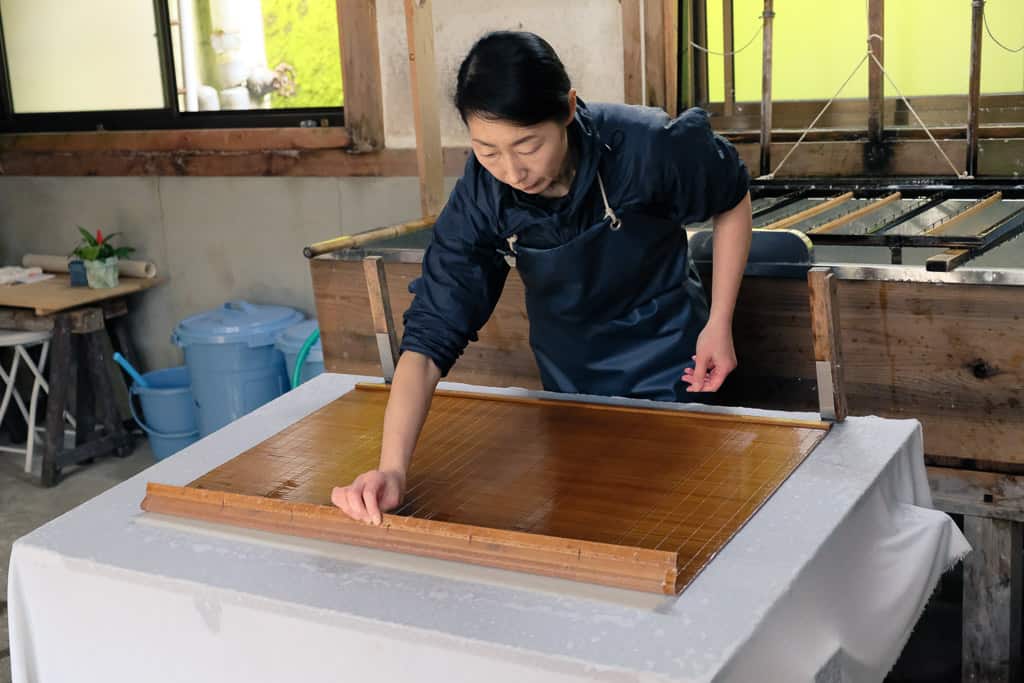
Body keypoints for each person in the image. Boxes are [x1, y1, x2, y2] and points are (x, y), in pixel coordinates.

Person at [333, 31, 752, 525]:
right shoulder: (484, 194)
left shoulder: (647, 146)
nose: (512, 170)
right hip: (568, 384)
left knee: (683, 522)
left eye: (528, 145)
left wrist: (719, 322)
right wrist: (391, 469)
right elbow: (429, 338)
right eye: (487, 150)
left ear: (569, 109)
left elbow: (731, 198)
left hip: (673, 369)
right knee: (593, 526)